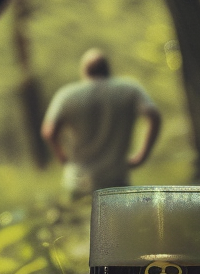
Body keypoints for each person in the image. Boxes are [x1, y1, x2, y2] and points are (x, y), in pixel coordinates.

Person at [41, 48, 161, 196]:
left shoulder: (67, 95)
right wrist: (141, 156)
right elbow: (154, 116)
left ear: (84, 71)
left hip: (78, 179)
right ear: (107, 68)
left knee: (78, 217)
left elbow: (49, 131)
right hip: (116, 178)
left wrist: (62, 157)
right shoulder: (129, 89)